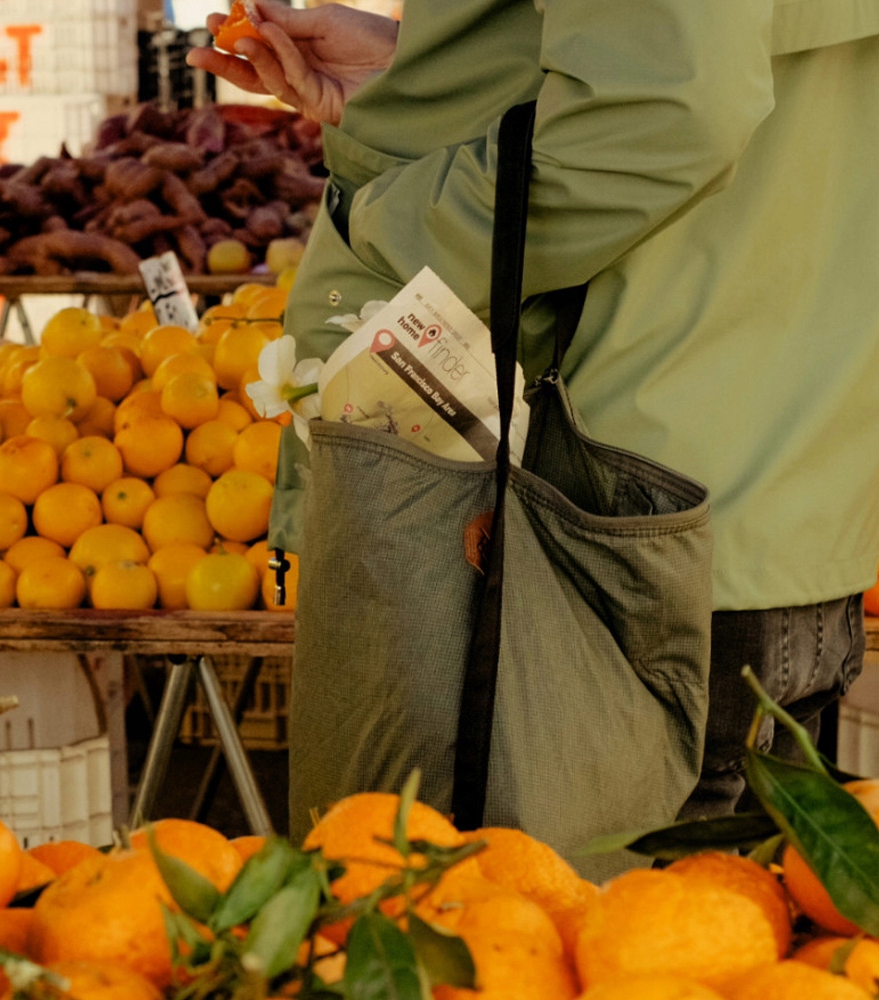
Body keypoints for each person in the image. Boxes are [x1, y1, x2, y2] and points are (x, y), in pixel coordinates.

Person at [189, 0, 879, 844]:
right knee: (731, 952)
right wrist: (454, 69)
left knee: (495, 934)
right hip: (759, 506)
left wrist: (377, 232)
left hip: (594, 533)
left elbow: (663, 114)